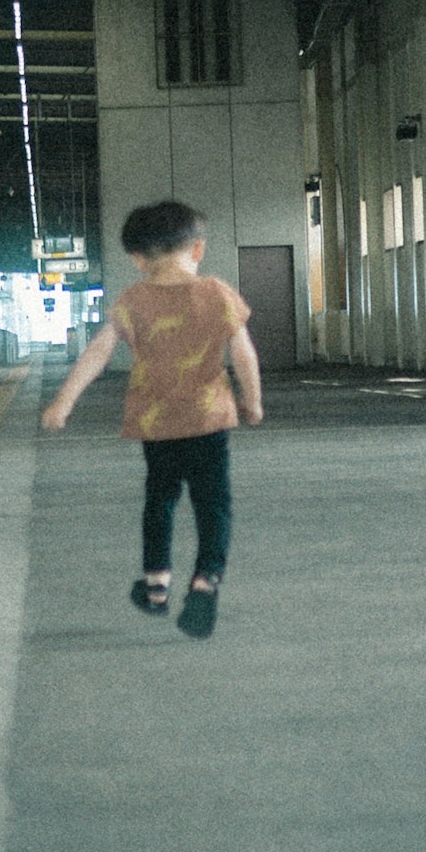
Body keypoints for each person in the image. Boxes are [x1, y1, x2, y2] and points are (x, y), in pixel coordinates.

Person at [39, 199, 262, 638]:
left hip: (156, 424)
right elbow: (242, 351)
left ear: (137, 259)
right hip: (208, 421)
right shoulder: (217, 293)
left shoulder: (133, 301)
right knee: (213, 505)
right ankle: (205, 582)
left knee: (160, 500)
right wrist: (251, 399)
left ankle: (157, 583)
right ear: (197, 250)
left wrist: (63, 402)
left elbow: (99, 352)